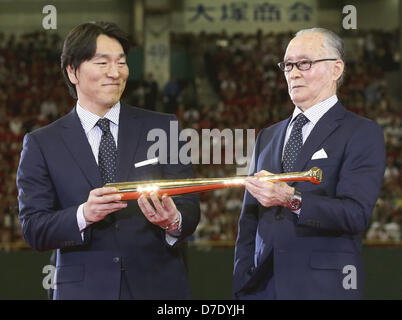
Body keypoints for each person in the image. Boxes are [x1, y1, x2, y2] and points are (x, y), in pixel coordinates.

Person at [16, 22, 200, 300]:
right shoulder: (42, 143)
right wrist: (83, 215)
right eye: (102, 63)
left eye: (121, 62)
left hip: (159, 287)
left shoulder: (163, 128)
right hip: (83, 291)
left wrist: (173, 220)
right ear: (72, 71)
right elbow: (34, 228)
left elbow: (190, 208)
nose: (115, 73)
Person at [233, 28, 386, 300]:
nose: (293, 72)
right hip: (261, 289)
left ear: (336, 69)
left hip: (323, 288)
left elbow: (355, 214)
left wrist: (291, 198)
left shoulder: (361, 132)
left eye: (304, 63)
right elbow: (248, 221)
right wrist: (242, 281)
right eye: (288, 65)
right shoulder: (267, 136)